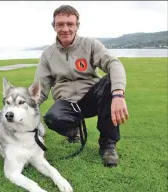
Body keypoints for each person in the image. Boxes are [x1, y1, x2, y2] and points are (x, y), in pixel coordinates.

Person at [34, 5, 129, 167]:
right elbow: (40, 88)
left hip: (91, 99)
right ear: (54, 26)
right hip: (66, 103)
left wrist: (118, 94)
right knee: (51, 117)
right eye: (60, 24)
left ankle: (108, 145)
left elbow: (114, 63)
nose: (65, 29)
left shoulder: (90, 44)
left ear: (77, 26)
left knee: (109, 81)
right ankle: (73, 131)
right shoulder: (47, 54)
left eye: (70, 24)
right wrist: (23, 108)